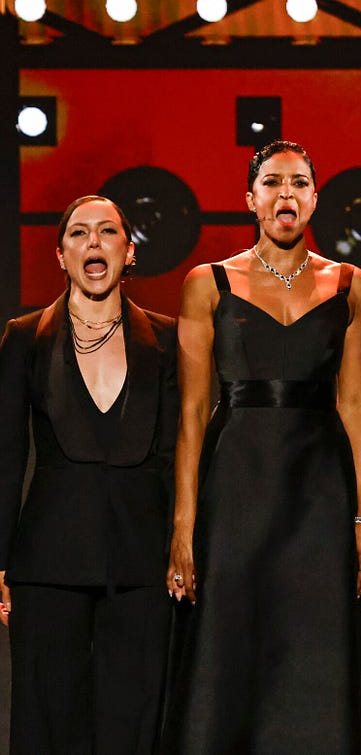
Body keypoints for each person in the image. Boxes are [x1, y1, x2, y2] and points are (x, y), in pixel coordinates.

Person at [164, 140, 361, 754]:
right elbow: (192, 412)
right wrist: (184, 526)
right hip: (236, 486)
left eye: (299, 183)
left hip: (319, 489)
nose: (286, 194)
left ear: (315, 199)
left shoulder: (350, 284)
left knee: (317, 641)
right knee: (232, 642)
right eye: (272, 183)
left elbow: (356, 405)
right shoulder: (207, 283)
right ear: (250, 199)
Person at [0, 196, 177, 754]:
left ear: (130, 251)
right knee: (48, 724)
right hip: (48, 563)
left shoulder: (168, 340)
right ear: (61, 255)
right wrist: (0, 562)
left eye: (107, 231)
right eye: (79, 233)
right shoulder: (24, 337)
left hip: (143, 563)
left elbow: (177, 456)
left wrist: (184, 549)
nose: (93, 242)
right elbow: (6, 456)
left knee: (136, 725)